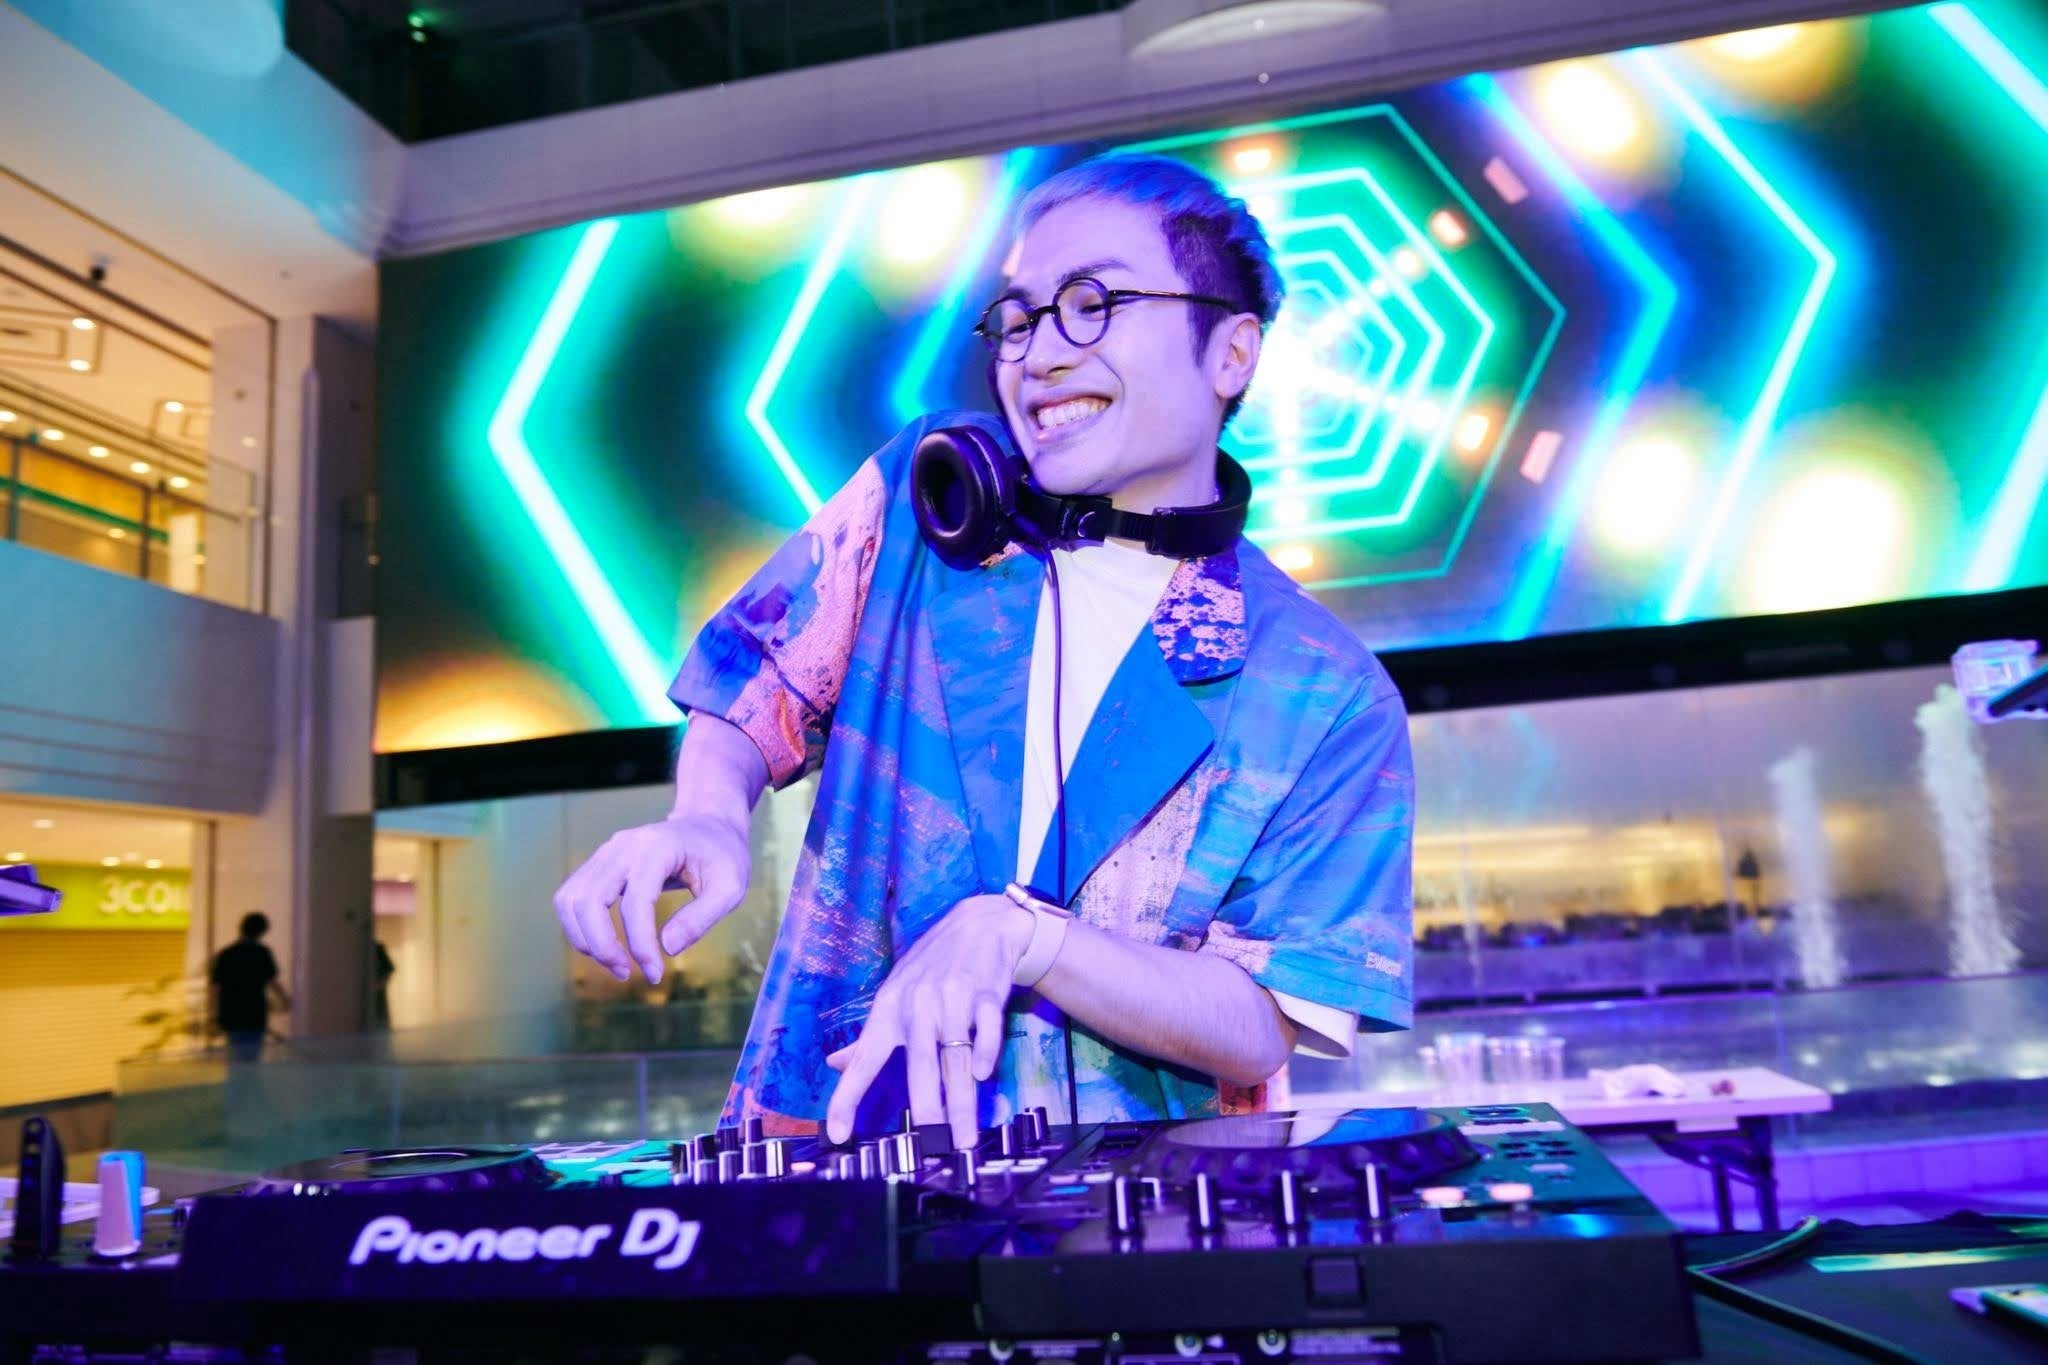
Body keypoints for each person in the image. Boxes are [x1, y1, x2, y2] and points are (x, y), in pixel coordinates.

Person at [554, 153, 1414, 1152]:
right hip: (837, 1156)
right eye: (1017, 317)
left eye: (1092, 305)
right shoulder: (927, 497)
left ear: (1230, 353)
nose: (1038, 355)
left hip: (1141, 1202)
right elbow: (754, 679)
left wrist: (1027, 939)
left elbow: (1259, 1022)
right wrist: (706, 818)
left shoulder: (1325, 687)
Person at [209, 911, 290, 1062]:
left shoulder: (226, 954)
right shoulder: (262, 953)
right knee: (252, 1056)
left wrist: (214, 1014)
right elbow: (272, 981)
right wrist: (284, 1000)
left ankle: (237, 1077)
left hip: (231, 1012)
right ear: (261, 932)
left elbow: (216, 988)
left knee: (235, 1055)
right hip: (254, 1012)